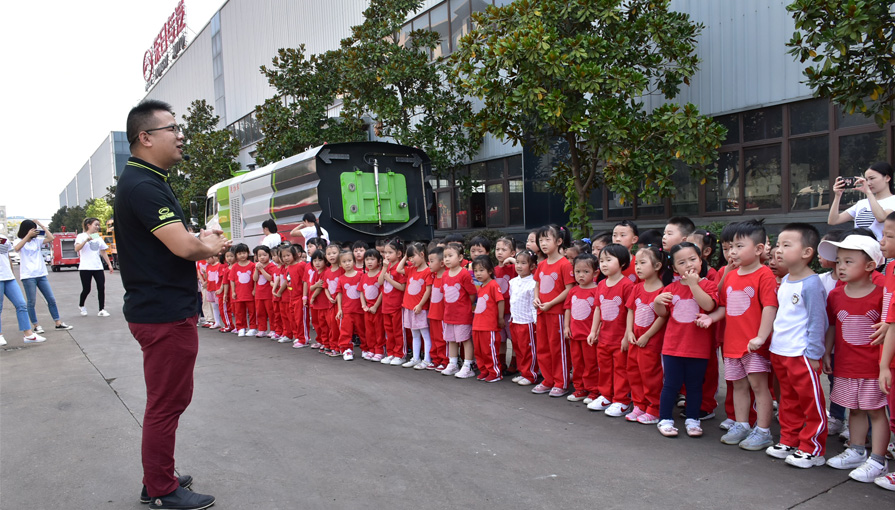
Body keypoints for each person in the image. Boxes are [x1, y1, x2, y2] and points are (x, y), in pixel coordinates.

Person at [115, 99, 229, 510]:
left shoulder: (145, 179)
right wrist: (209, 246)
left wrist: (200, 243)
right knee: (167, 404)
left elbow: (174, 241)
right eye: (172, 129)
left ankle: (157, 476)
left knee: (167, 401)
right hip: (163, 313)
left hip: (159, 308)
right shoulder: (144, 185)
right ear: (145, 138)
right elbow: (184, 247)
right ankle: (161, 489)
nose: (180, 136)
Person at [700, 220, 779, 451]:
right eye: (731, 246)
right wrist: (711, 318)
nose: (733, 251)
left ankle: (763, 431)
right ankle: (742, 424)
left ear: (759, 249)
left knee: (759, 387)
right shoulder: (731, 275)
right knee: (739, 386)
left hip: (753, 345)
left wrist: (762, 337)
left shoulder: (764, 275)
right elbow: (725, 306)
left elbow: (770, 307)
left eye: (739, 246)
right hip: (733, 344)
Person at [819, 234, 890, 483]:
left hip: (872, 366)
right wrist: (827, 352)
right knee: (855, 409)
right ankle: (857, 450)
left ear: (870, 266)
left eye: (849, 262)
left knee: (876, 410)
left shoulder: (882, 295)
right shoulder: (836, 296)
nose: (841, 267)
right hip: (846, 364)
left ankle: (878, 460)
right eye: (839, 261)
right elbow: (831, 326)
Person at [764, 223, 829, 469]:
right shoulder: (785, 279)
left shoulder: (812, 284)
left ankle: (813, 448)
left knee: (811, 402)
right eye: (778, 244)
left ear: (806, 252)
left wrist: (814, 353)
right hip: (780, 351)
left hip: (801, 353)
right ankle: (789, 440)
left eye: (786, 245)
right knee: (788, 400)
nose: (778, 250)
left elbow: (817, 320)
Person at [654, 242, 718, 438]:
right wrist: (657, 302)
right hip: (673, 347)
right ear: (674, 268)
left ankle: (693, 419)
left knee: (694, 385)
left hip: (698, 348)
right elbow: (662, 313)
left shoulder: (708, 285)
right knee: (671, 384)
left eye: (692, 259)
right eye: (682, 262)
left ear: (701, 260)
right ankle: (665, 419)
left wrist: (693, 284)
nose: (688, 264)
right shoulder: (670, 288)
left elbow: (708, 305)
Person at [623, 246, 670, 425]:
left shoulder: (663, 291)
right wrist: (629, 331)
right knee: (634, 373)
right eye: (637, 264)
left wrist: (647, 336)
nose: (638, 268)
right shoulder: (637, 288)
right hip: (635, 339)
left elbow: (662, 317)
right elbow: (630, 311)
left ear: (657, 265)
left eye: (643, 263)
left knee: (651, 375)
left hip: (651, 342)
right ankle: (639, 404)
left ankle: (654, 408)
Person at [587, 244, 635, 416]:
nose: (604, 264)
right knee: (605, 367)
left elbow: (631, 311)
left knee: (621, 369)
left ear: (622, 263)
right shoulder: (601, 284)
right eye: (601, 260)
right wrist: (593, 331)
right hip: (604, 336)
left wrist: (626, 336)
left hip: (619, 337)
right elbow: (598, 309)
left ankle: (622, 400)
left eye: (609, 260)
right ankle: (606, 395)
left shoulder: (627, 285)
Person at [532, 225, 575, 397]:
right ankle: (548, 379)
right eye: (540, 240)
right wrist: (537, 298)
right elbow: (537, 284)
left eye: (547, 239)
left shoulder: (564, 264)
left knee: (558, 349)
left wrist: (551, 303)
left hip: (557, 313)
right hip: (542, 311)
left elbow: (569, 289)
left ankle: (561, 381)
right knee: (543, 346)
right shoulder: (541, 265)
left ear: (558, 241)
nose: (543, 243)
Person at [14, 219, 72, 332]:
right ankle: (36, 326)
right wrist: (28, 236)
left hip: (41, 274)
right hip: (28, 275)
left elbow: (51, 238)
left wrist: (42, 226)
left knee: (51, 299)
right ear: (26, 230)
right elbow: (17, 248)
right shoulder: (18, 240)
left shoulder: (37, 241)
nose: (34, 231)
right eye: (32, 229)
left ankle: (58, 323)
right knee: (31, 302)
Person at [564, 253, 600, 403]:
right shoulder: (573, 290)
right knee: (577, 363)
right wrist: (566, 326)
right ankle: (580, 388)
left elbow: (600, 313)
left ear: (595, 273)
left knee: (591, 364)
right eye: (578, 272)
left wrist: (596, 332)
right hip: (575, 334)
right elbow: (568, 309)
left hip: (589, 337)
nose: (581, 275)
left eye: (586, 272)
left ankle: (593, 390)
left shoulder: (597, 290)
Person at [828, 161, 895, 240]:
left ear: (887, 178)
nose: (868, 183)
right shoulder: (862, 203)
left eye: (872, 178)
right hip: (859, 247)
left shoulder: (892, 200)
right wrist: (837, 196)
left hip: (878, 249)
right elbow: (833, 220)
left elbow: (881, 217)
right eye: (866, 179)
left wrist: (868, 193)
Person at [0, 232, 46, 346]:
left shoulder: (3, 238)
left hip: (8, 277)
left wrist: (11, 272)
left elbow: (7, 256)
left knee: (21, 304)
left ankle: (28, 334)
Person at [471, 255, 505, 382]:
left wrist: (500, 318)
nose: (478, 274)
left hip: (489, 326)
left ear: (490, 271)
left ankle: (495, 372)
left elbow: (500, 301)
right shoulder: (481, 287)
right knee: (479, 351)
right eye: (475, 271)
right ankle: (484, 370)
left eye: (481, 270)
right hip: (478, 325)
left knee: (489, 350)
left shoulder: (493, 285)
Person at [399, 242, 433, 369]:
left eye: (413, 257)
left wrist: (420, 304)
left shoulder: (427, 271)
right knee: (415, 335)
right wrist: (406, 255)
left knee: (425, 334)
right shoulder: (411, 269)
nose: (411, 260)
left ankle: (427, 359)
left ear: (422, 254)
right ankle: (416, 358)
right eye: (409, 258)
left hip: (420, 309)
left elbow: (428, 290)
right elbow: (398, 269)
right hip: (409, 307)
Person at [509, 249, 539, 386]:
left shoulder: (533, 283)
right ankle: (523, 371)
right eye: (517, 263)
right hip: (515, 320)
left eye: (523, 263)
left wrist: (536, 322)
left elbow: (533, 305)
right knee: (518, 348)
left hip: (527, 322)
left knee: (528, 350)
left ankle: (531, 374)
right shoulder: (513, 282)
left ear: (532, 266)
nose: (519, 266)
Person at [75, 217, 113, 317]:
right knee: (87, 289)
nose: (97, 227)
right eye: (95, 225)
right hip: (85, 267)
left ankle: (101, 309)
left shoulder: (98, 237)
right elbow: (77, 249)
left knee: (101, 287)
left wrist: (109, 264)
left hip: (98, 267)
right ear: (88, 225)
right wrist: (86, 240)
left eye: (98, 225)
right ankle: (81, 305)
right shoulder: (81, 236)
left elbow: (103, 251)